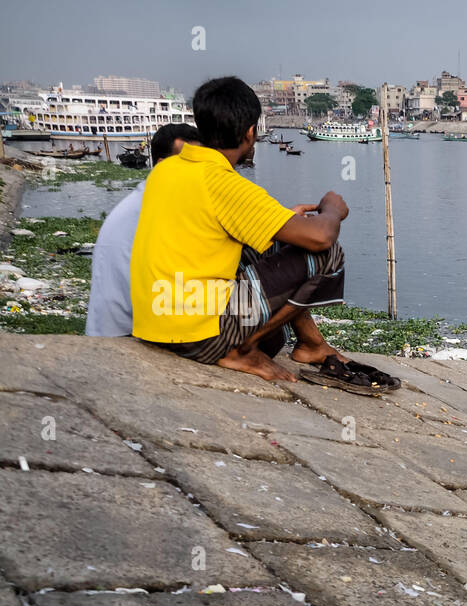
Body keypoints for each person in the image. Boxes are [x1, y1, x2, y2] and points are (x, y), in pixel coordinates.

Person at [129, 76, 397, 391]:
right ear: (250, 133)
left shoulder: (167, 170)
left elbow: (211, 226)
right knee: (326, 253)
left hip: (156, 324)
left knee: (273, 243)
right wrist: (332, 209)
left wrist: (282, 220)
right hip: (200, 338)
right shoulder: (224, 183)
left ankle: (310, 343)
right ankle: (240, 349)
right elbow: (321, 237)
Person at [87, 123, 200, 336]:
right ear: (163, 166)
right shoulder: (158, 209)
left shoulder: (148, 198)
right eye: (191, 163)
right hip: (125, 334)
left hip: (115, 326)